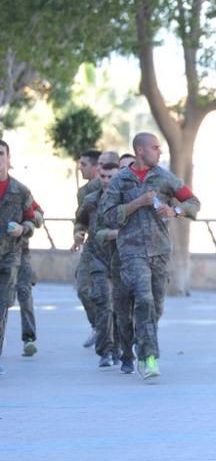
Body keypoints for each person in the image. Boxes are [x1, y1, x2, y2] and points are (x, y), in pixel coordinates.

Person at [98, 133, 200, 380]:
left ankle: (141, 343)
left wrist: (174, 210)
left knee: (155, 307)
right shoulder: (121, 181)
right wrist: (136, 204)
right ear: (140, 151)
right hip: (131, 251)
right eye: (156, 147)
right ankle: (149, 358)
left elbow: (194, 203)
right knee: (143, 299)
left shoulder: (164, 178)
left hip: (160, 252)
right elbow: (107, 215)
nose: (160, 152)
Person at [76, 152, 119, 368]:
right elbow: (80, 219)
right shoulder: (90, 199)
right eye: (103, 176)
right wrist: (78, 234)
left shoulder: (129, 199)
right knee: (102, 301)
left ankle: (122, 348)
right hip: (97, 257)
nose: (106, 181)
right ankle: (106, 350)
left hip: (123, 259)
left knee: (121, 306)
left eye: (111, 176)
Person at [0, 140, 39, 376]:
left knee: (1, 308)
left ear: (8, 158)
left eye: (0, 154)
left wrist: (22, 229)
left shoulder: (21, 191)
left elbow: (32, 220)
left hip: (9, 258)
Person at [73, 149, 103, 347]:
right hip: (92, 246)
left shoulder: (119, 185)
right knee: (83, 287)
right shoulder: (84, 192)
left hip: (116, 244)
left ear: (96, 166)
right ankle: (99, 327)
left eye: (84, 164)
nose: (80, 168)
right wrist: (78, 233)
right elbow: (80, 219)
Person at [17, 200, 43, 357]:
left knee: (24, 294)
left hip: (19, 253)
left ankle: (29, 339)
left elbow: (38, 215)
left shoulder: (18, 191)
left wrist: (26, 223)